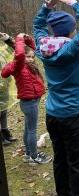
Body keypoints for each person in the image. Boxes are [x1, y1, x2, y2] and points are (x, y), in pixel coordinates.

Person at [33, 0, 79, 195]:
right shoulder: (72, 49)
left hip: (53, 115)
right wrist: (73, 3)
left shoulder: (43, 46)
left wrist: (46, 8)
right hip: (74, 117)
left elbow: (38, 27)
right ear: (71, 31)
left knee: (60, 161)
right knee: (78, 166)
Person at [1, 33, 51, 165]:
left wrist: (27, 38)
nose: (30, 59)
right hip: (29, 102)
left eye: (31, 57)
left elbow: (31, 49)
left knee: (28, 129)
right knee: (32, 130)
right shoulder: (18, 64)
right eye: (27, 57)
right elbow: (20, 55)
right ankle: (34, 157)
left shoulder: (28, 64)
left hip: (33, 100)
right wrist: (18, 38)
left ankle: (29, 154)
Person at [0, 33, 17, 146]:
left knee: (3, 110)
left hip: (4, 85)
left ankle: (5, 131)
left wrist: (6, 38)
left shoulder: (2, 50)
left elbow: (16, 49)